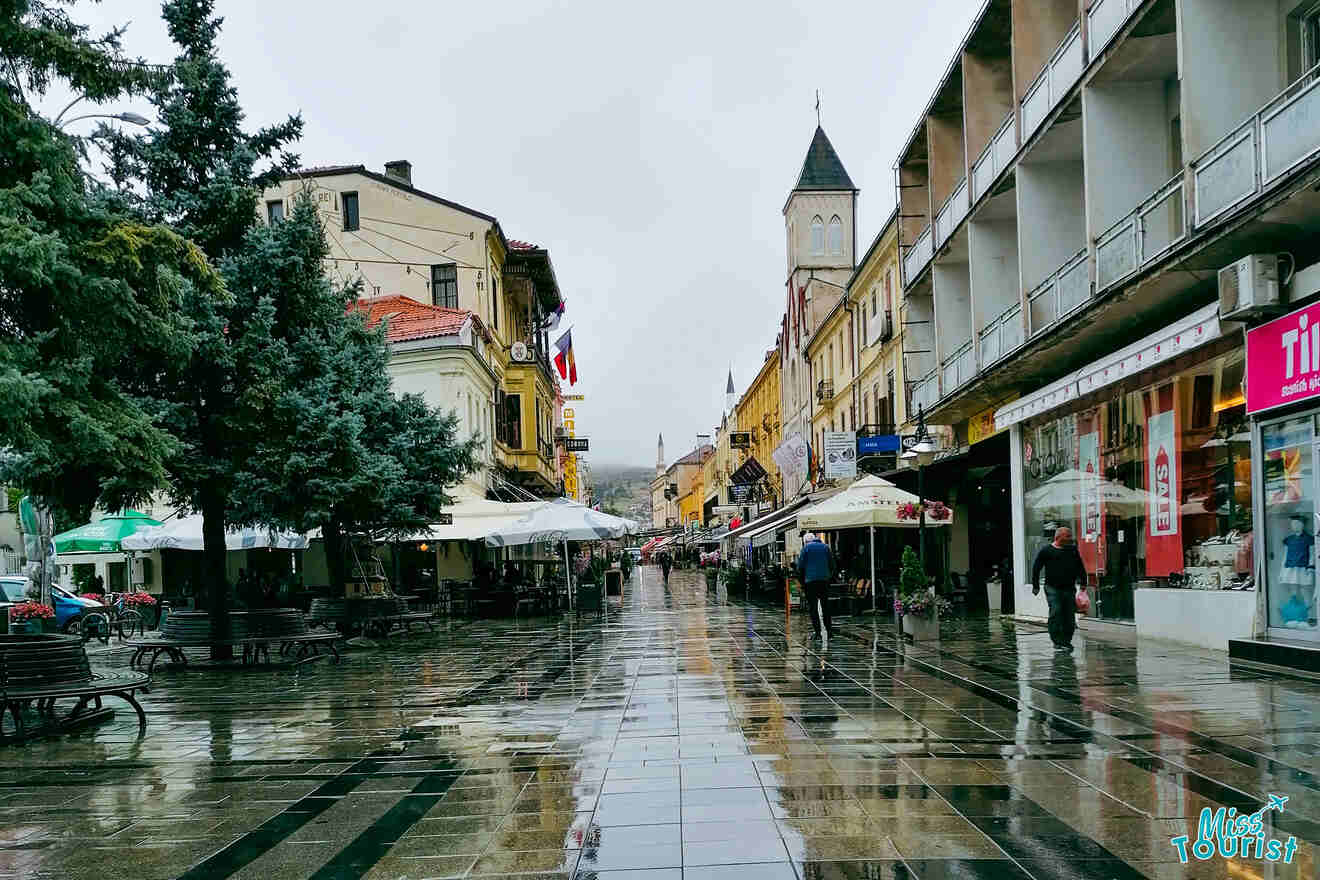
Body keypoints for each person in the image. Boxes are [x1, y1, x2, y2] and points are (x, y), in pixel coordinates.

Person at [1032, 526, 1087, 652]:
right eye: (1067, 536)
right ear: (1058, 537)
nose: (1070, 538)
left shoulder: (1072, 550)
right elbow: (1036, 568)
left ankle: (1066, 641)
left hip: (1069, 588)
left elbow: (1080, 566)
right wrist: (1035, 586)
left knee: (1069, 615)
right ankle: (1056, 641)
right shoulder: (1046, 551)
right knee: (1056, 611)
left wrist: (1083, 582)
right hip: (1052, 588)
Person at [796, 532, 835, 642]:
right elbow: (832, 565)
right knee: (825, 606)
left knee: (813, 608)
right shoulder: (826, 547)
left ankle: (818, 633)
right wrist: (828, 577)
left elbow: (800, 567)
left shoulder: (806, 549)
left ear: (806, 541)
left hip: (810, 582)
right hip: (824, 581)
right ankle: (829, 631)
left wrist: (802, 582)